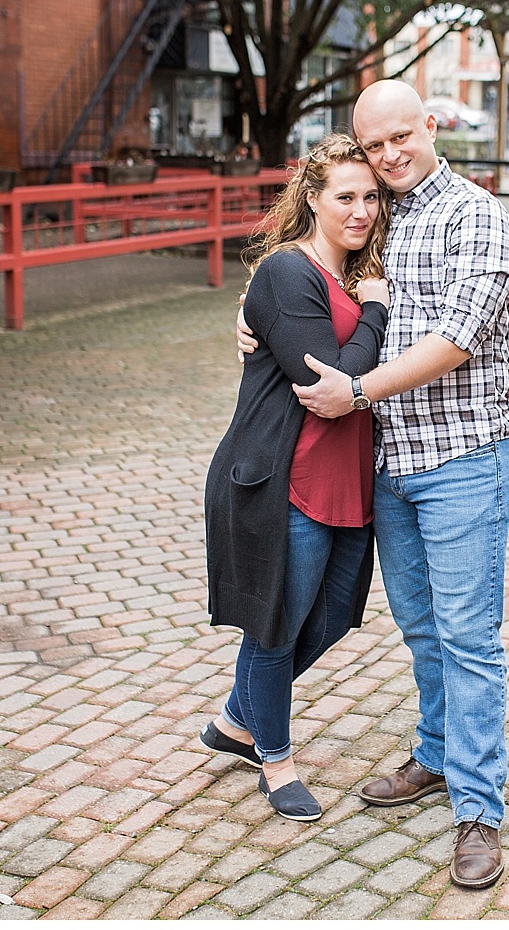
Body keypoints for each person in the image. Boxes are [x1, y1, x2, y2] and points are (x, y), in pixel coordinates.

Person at [237, 81, 509, 890]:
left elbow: (458, 337)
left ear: (431, 126)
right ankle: (435, 756)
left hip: (464, 456)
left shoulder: (479, 217)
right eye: (375, 145)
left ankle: (478, 808)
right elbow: (315, 281)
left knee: (470, 636)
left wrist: (361, 392)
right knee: (423, 629)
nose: (391, 154)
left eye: (403, 136)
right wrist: (253, 317)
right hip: (390, 464)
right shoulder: (382, 216)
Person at [201, 134, 393, 821]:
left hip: (347, 481)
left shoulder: (351, 274)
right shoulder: (289, 271)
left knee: (334, 614)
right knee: (276, 628)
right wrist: (374, 308)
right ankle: (274, 761)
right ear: (312, 199)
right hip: (289, 479)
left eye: (371, 196)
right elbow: (329, 379)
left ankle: (233, 718)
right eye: (345, 196)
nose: (361, 209)